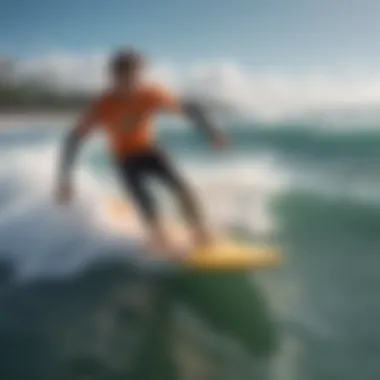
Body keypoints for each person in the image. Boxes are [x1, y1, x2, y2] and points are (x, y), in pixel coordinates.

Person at [56, 48, 228, 251]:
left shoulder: (150, 94)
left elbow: (190, 107)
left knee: (182, 189)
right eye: (125, 77)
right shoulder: (102, 105)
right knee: (146, 199)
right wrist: (65, 179)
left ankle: (199, 231)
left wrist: (212, 132)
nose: (131, 83)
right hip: (124, 159)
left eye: (136, 76)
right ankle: (158, 237)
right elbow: (73, 139)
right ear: (114, 77)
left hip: (150, 151)